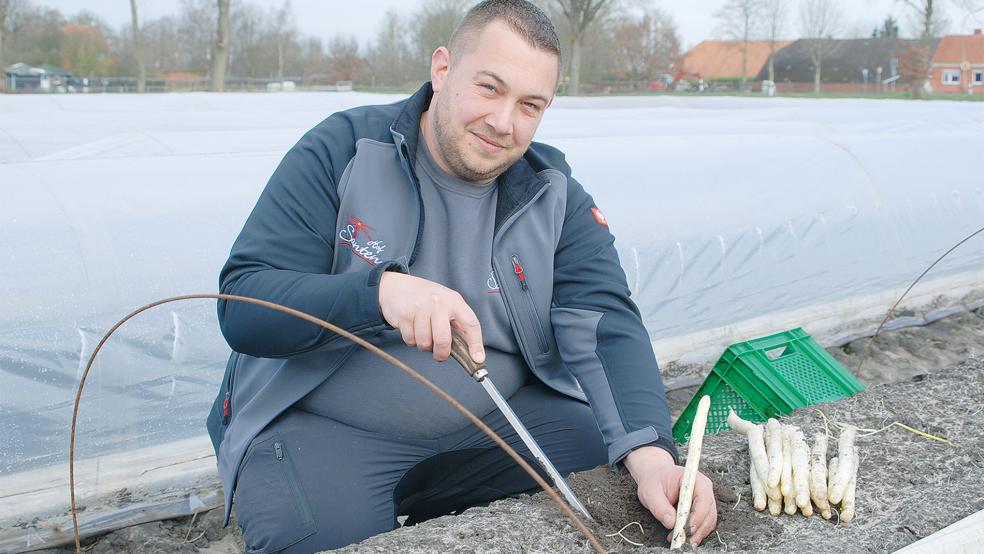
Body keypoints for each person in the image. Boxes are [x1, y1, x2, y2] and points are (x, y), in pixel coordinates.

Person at [206, 1, 717, 551]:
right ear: (443, 69)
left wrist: (653, 456)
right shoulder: (343, 149)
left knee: (614, 472)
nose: (503, 123)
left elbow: (606, 323)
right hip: (322, 428)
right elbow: (245, 303)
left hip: (497, 424)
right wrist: (379, 293)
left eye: (530, 105)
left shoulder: (553, 194)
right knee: (316, 537)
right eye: (489, 89)